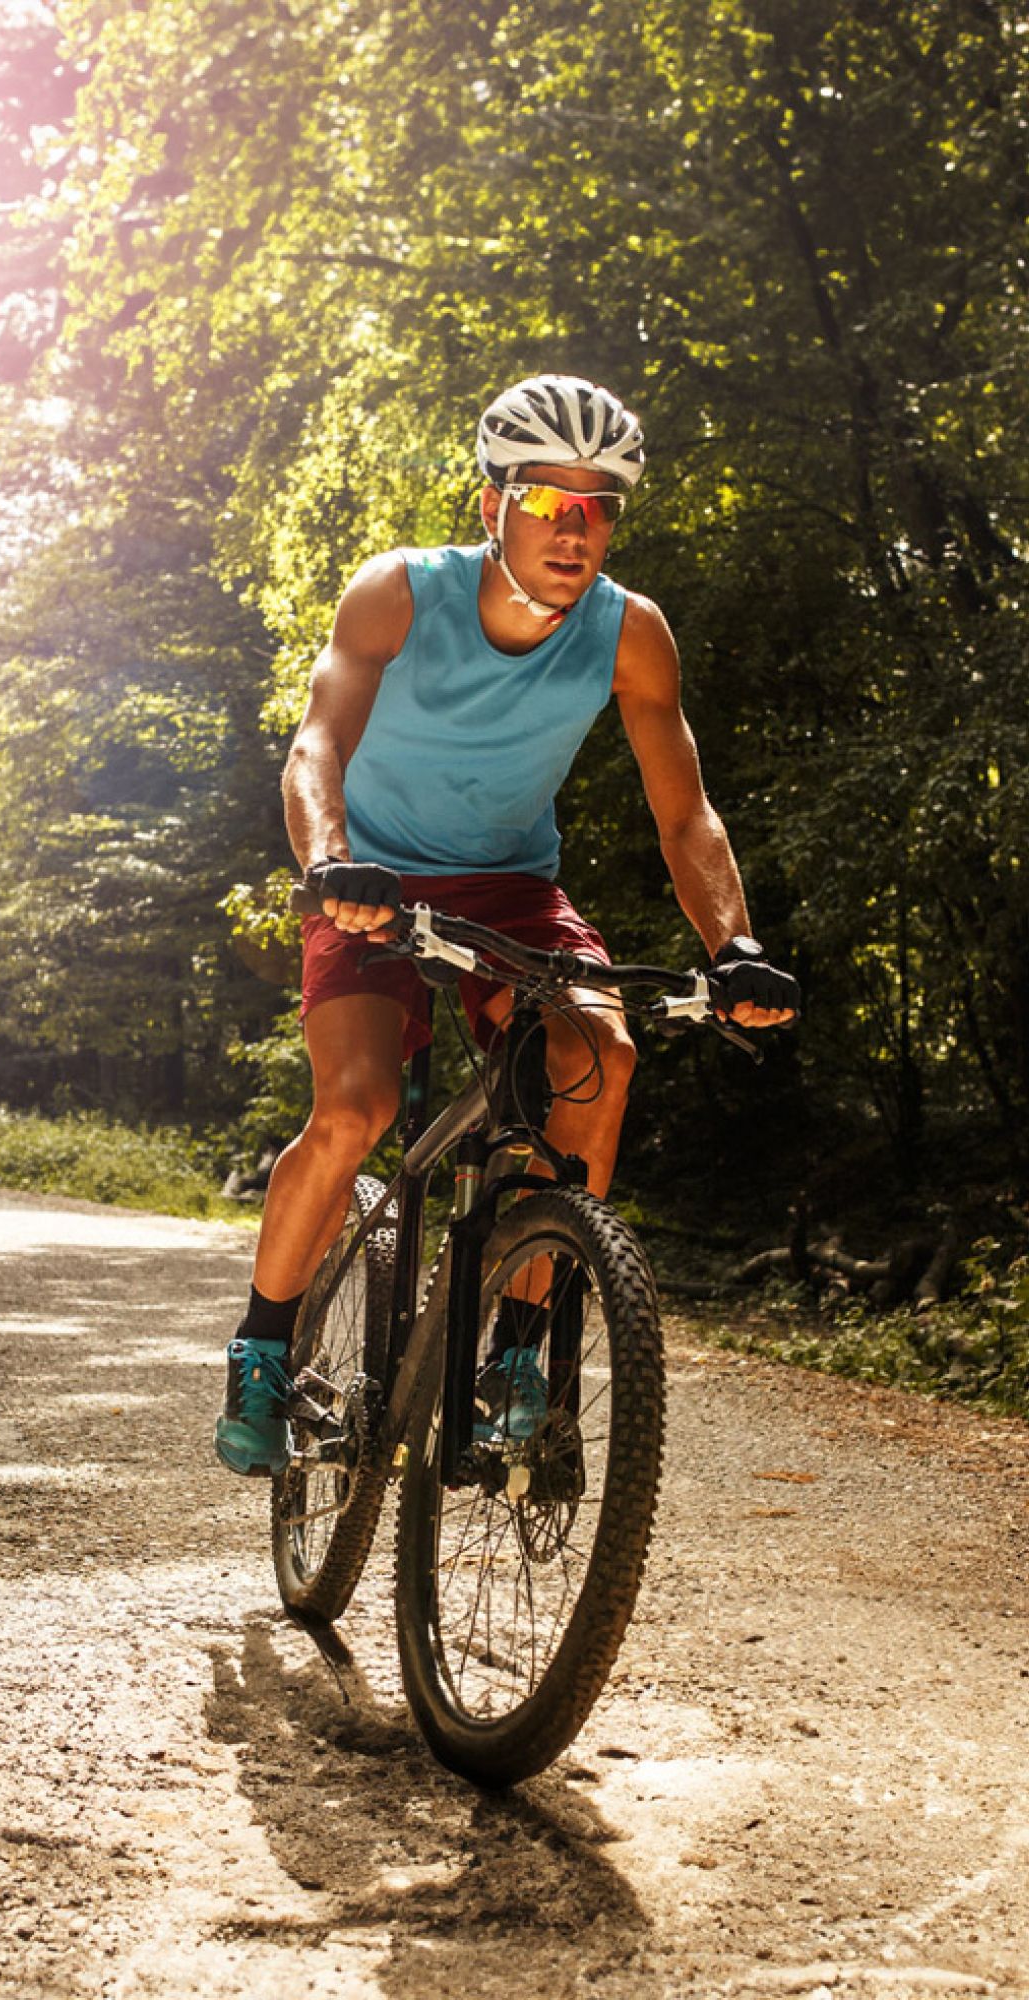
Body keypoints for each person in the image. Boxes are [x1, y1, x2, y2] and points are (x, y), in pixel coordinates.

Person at [215, 374, 800, 1476]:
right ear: (492, 507)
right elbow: (314, 748)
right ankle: (261, 1346)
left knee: (598, 1052)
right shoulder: (396, 592)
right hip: (371, 876)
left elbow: (683, 814)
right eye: (545, 501)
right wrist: (332, 860)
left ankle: (516, 1354)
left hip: (510, 891)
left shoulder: (631, 635)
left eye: (597, 507)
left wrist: (735, 948)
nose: (571, 529)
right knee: (356, 1105)